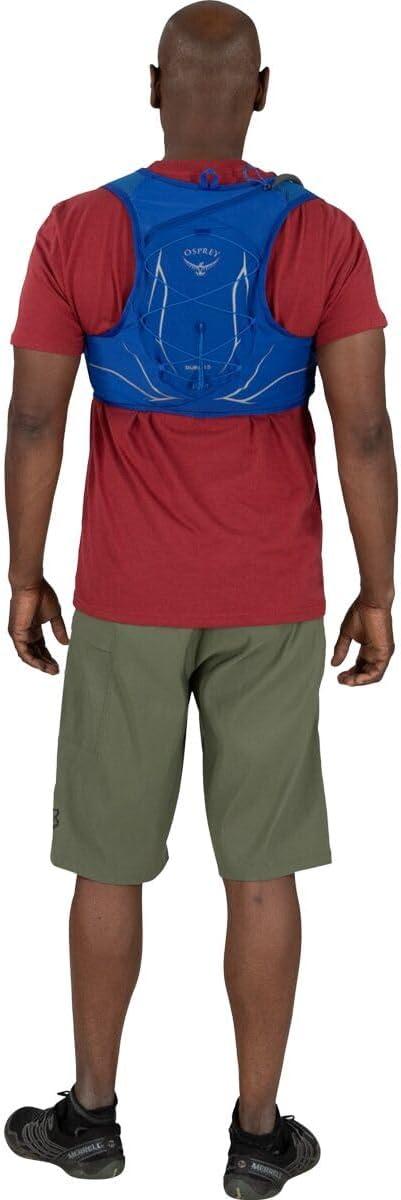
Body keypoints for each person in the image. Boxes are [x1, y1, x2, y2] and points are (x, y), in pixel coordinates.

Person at [4, 1, 396, 1195]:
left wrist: (24, 572)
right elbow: (362, 433)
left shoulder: (78, 228)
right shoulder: (322, 235)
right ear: (260, 91)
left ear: (151, 86)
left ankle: (91, 1119)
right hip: (270, 598)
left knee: (107, 863)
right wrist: (377, 589)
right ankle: (258, 1135)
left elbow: (35, 419)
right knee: (261, 872)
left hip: (125, 595)